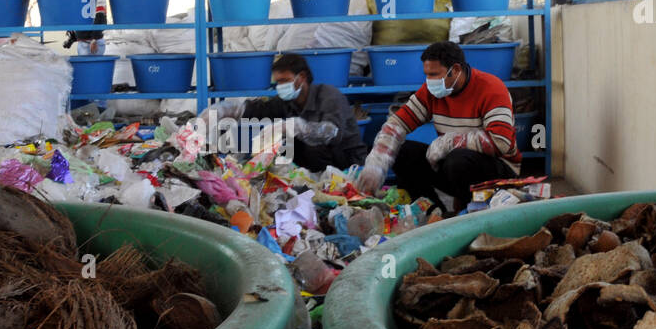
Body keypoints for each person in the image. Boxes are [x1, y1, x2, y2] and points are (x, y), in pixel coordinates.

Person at [357, 41, 520, 213]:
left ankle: (471, 213)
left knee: (457, 159)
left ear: (456, 70)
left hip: (498, 171)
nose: (430, 81)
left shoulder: (491, 88)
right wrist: (377, 162)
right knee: (403, 153)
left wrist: (450, 142)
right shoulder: (432, 92)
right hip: (455, 167)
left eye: (435, 74)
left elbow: (502, 141)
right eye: (427, 75)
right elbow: (398, 124)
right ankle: (433, 213)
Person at [209, 52, 368, 172]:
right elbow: (259, 110)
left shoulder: (329, 96)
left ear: (302, 78)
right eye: (277, 82)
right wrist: (225, 110)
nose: (280, 87)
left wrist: (296, 127)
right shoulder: (287, 101)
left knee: (301, 144)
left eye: (284, 81)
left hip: (345, 167)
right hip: (312, 168)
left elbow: (333, 132)